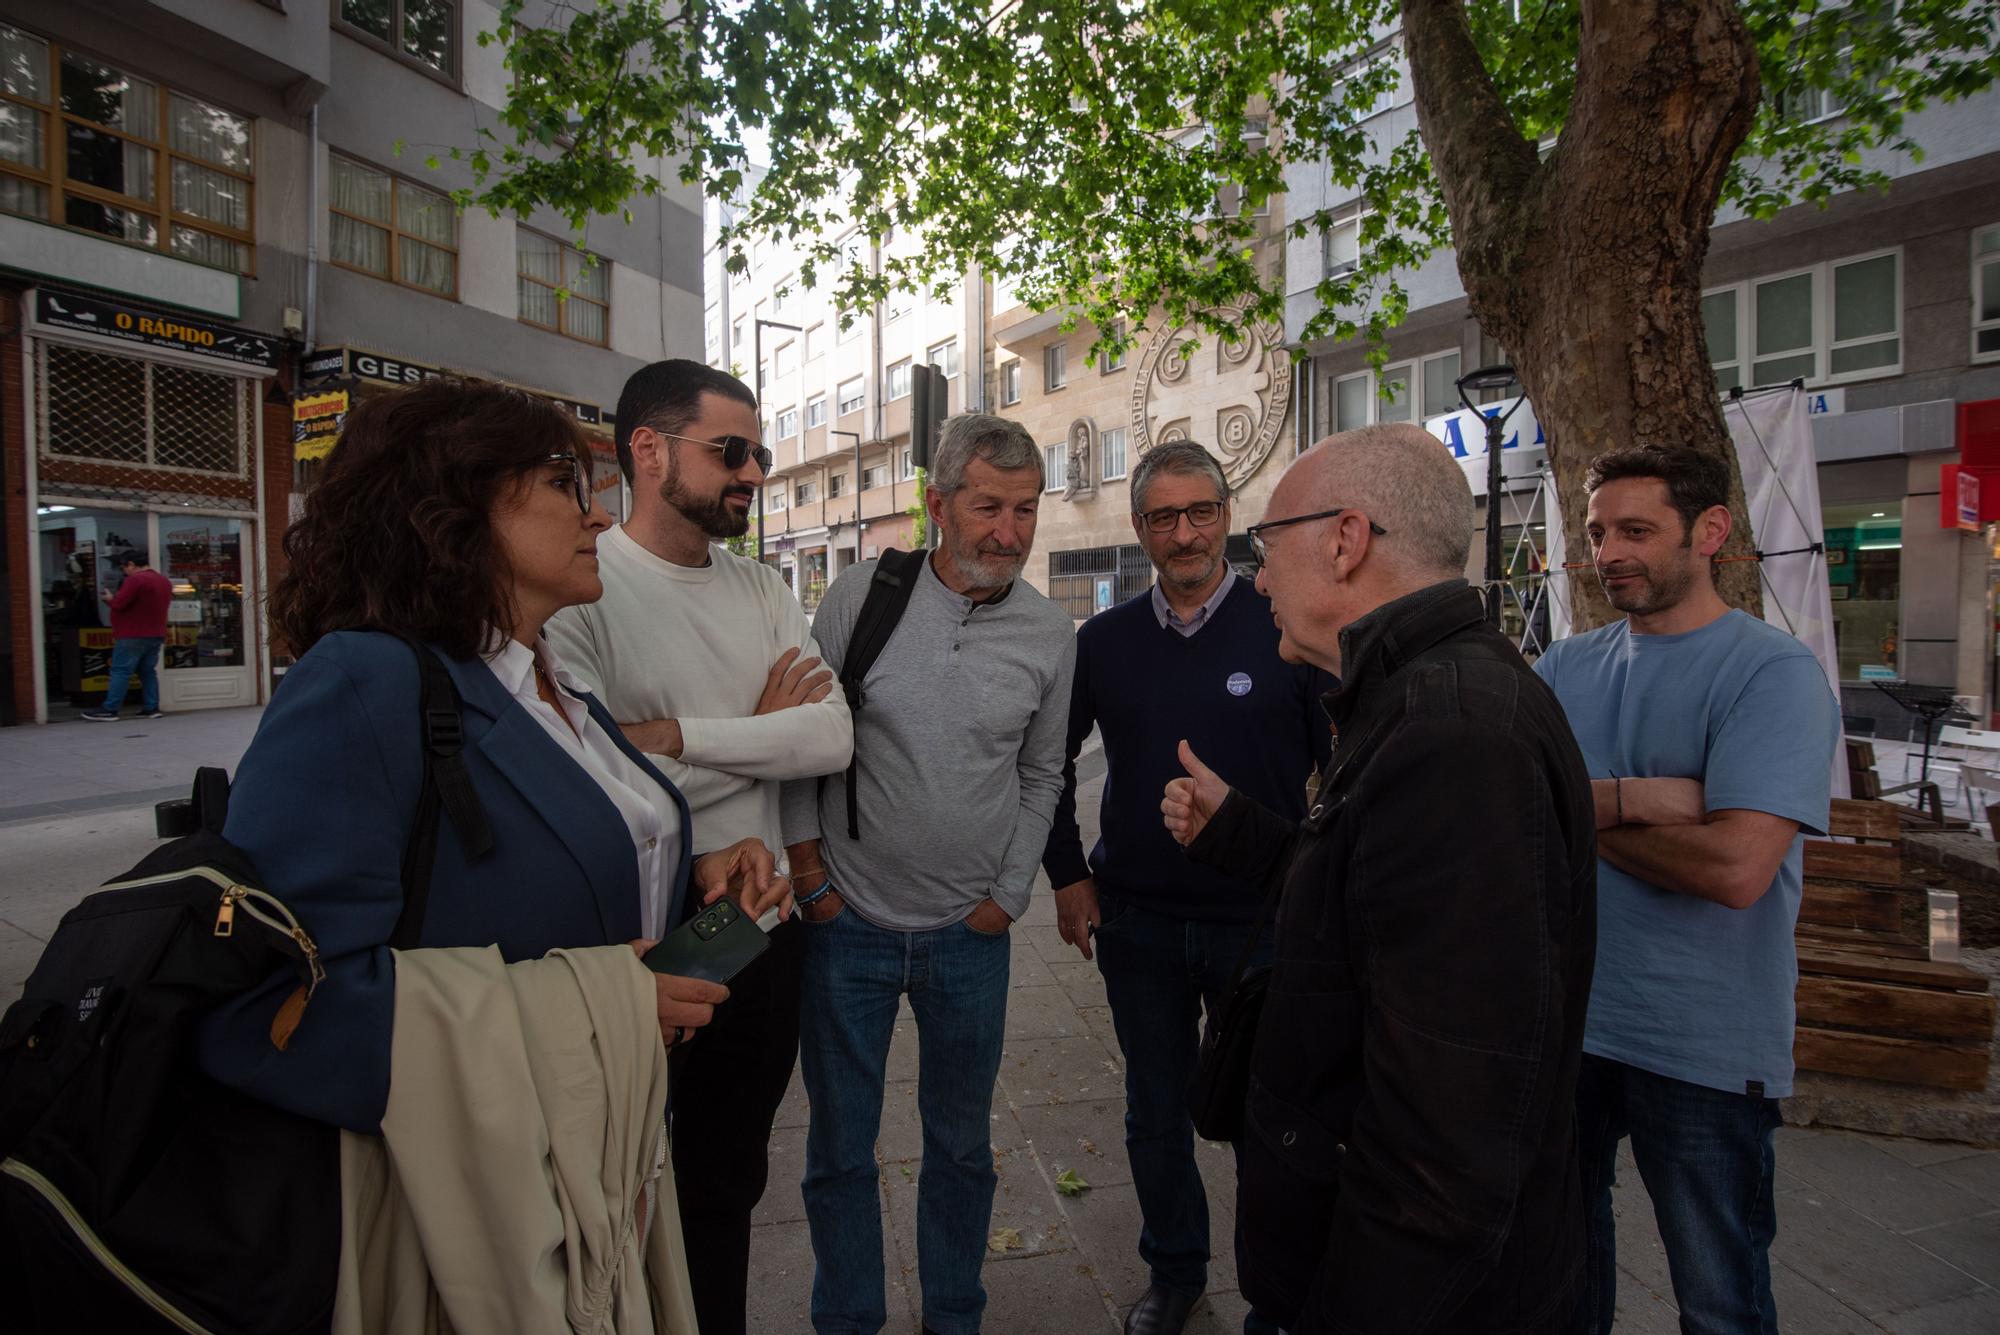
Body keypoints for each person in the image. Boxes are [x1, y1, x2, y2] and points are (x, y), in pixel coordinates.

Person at [197, 377, 785, 1180]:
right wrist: (597, 1007)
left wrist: (688, 875)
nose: (599, 514)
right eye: (560, 483)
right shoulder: (362, 682)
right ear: (453, 506)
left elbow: (535, 878)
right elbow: (282, 1000)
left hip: (600, 1150)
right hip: (474, 1190)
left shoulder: (554, 686)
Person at [1161, 422, 1597, 1334]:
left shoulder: (1455, 733)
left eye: (1265, 548)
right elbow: (1368, 918)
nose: (1263, 579)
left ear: (1345, 539)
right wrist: (1242, 833)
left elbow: (1450, 1132)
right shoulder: (1415, 698)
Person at [547, 359, 852, 1335]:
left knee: (724, 1183)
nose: (751, 472)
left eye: (756, 454)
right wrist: (755, 735)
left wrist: (675, 737)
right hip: (644, 931)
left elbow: (830, 738)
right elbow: (596, 792)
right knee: (619, 1180)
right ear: (647, 449)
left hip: (757, 930)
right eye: (729, 452)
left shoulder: (762, 586)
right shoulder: (583, 587)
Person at [1533, 445, 1838, 1335]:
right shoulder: (1562, 667)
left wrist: (1590, 805)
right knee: (1558, 1278)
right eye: (1596, 532)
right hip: (1572, 1023)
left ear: (1710, 531)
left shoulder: (1771, 673)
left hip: (1704, 1039)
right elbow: (1513, 808)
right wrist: (1655, 798)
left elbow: (1736, 868)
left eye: (1636, 530)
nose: (1609, 552)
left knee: (1719, 1299)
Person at [788, 412, 1075, 1335]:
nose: (1010, 532)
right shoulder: (862, 596)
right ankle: (850, 1319)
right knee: (839, 1149)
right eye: (989, 506)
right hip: (849, 927)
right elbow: (806, 741)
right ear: (938, 503)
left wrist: (1009, 896)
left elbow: (1043, 773)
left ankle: (954, 1315)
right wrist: (811, 878)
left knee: (961, 1147)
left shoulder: (1049, 632)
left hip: (969, 937)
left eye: (1026, 509)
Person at [1041, 440, 1330, 1335]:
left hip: (1262, 923)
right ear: (1139, 529)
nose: (1185, 532)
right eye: (1163, 516)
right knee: (1154, 1109)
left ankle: (1277, 1293)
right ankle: (1174, 1271)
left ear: (1228, 514)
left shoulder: (1288, 629)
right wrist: (1069, 876)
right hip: (1141, 921)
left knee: (1266, 1117)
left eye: (1200, 510)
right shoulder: (1105, 641)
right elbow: (1045, 764)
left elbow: (1349, 771)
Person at [81, 549, 172, 721]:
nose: (123, 571)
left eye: (124, 567)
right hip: (156, 633)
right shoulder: (163, 581)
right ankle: (151, 707)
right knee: (147, 671)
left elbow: (120, 604)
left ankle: (110, 708)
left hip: (132, 633)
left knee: (121, 671)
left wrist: (109, 599)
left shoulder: (135, 580)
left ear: (131, 564)